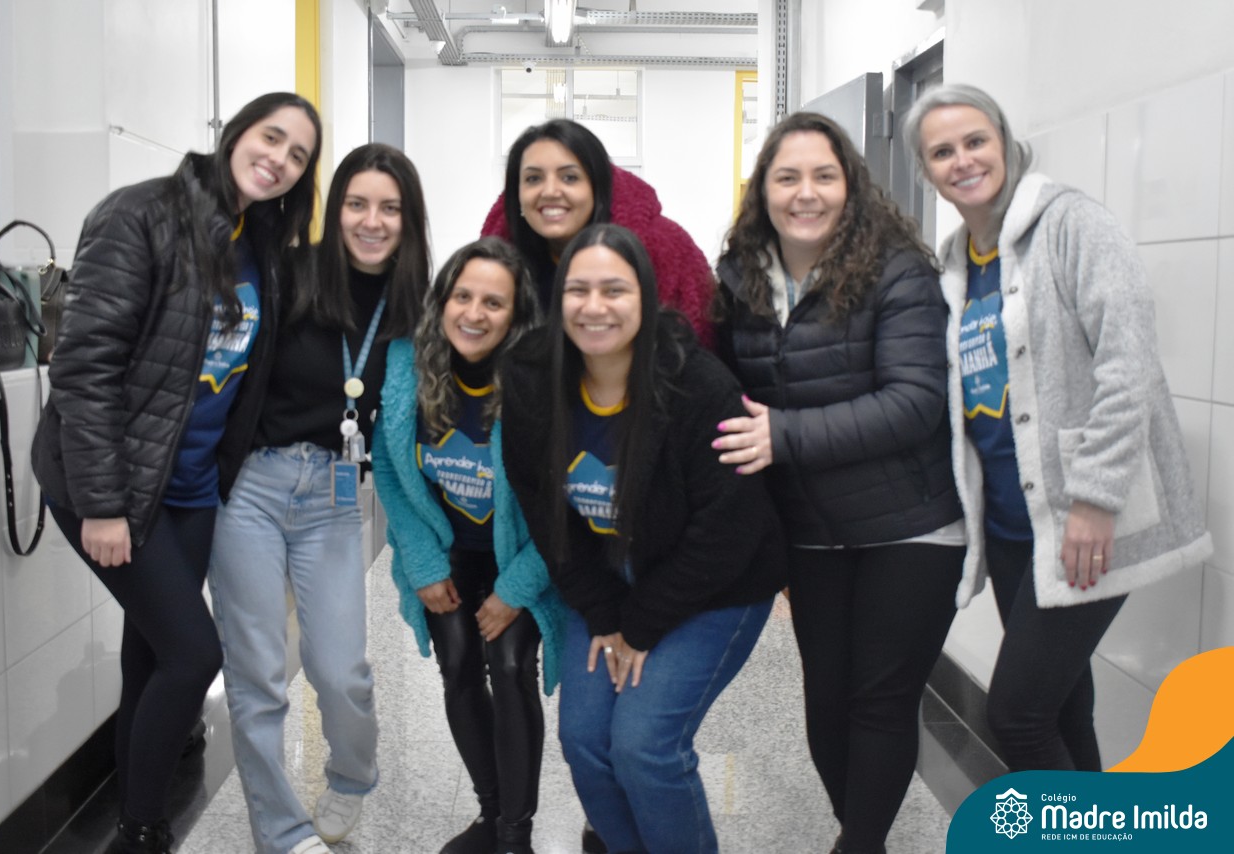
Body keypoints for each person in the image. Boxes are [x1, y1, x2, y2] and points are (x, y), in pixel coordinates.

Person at [30, 92, 321, 854]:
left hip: (189, 489)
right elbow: (84, 367)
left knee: (153, 657)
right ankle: (142, 830)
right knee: (194, 655)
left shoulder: (263, 244)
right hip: (112, 487)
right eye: (271, 138)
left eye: (297, 155)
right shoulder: (141, 214)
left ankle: (139, 813)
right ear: (235, 133)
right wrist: (102, 505)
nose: (279, 160)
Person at [902, 84, 1212, 772]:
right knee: (1062, 708)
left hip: (1083, 521)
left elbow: (1129, 364)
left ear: (1005, 142)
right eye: (943, 152)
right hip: (1016, 528)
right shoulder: (956, 261)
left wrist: (1095, 499)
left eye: (976, 141)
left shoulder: (1071, 224)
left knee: (1016, 715)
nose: (963, 160)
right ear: (926, 171)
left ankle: (1066, 827)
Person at [712, 112, 966, 854]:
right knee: (826, 705)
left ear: (850, 186)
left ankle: (859, 844)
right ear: (763, 190)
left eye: (824, 176)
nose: (806, 193)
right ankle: (861, 835)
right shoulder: (739, 278)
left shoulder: (898, 271)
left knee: (879, 701)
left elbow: (915, 403)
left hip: (911, 525)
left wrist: (783, 436)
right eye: (787, 177)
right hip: (812, 530)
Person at [501, 223, 785, 854]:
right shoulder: (529, 376)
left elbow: (729, 527)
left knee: (644, 744)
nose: (594, 307)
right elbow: (543, 507)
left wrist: (641, 625)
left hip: (716, 585)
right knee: (585, 741)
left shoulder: (697, 384)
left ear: (646, 297)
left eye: (615, 290)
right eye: (578, 290)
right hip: (609, 577)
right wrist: (604, 612)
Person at [206, 143, 431, 854]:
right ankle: (282, 832)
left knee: (341, 671)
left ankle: (352, 774)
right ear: (335, 212)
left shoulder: (412, 307)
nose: (372, 221)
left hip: (334, 495)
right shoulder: (290, 274)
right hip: (252, 489)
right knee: (258, 674)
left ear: (409, 219)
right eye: (356, 204)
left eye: (389, 207)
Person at [372, 237, 563, 854]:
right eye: (462, 297)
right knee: (457, 664)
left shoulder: (541, 380)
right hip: (449, 549)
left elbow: (566, 507)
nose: (474, 314)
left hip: (524, 553)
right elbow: (389, 467)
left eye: (493, 303)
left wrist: (517, 589)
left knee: (508, 665)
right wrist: (423, 563)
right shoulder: (408, 365)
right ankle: (490, 814)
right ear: (442, 300)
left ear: (516, 316)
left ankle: (515, 836)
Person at [481, 118, 715, 346]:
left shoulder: (664, 247)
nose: (550, 191)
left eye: (569, 178)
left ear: (597, 187)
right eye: (533, 178)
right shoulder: (502, 257)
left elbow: (698, 345)